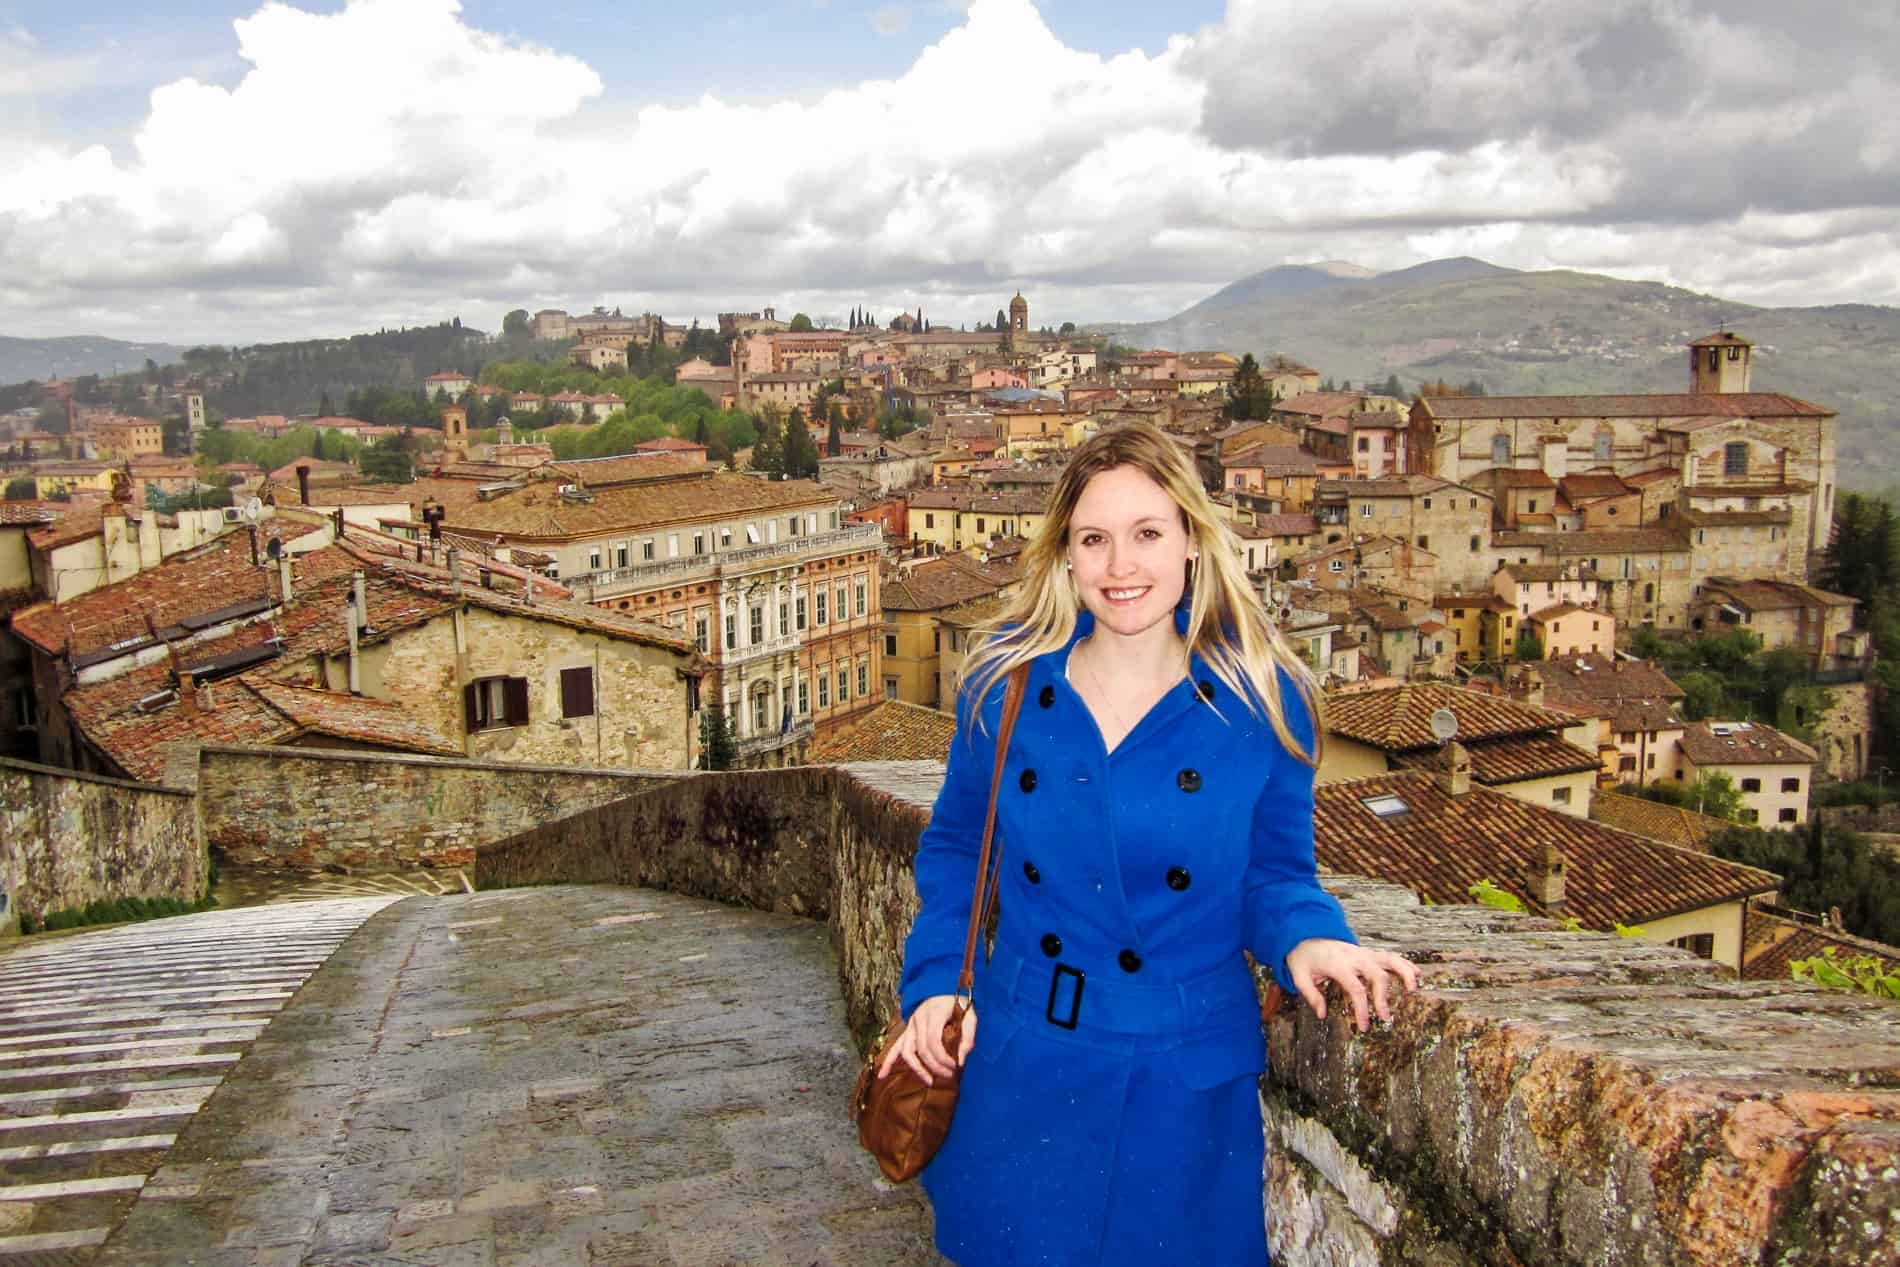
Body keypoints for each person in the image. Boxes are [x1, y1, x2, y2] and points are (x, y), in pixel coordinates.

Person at [880, 421, 1418, 1265]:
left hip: (1182, 1078)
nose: (1121, 566)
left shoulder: (1264, 701)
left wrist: (1310, 936)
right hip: (1026, 1061)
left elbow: (1276, 872)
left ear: (1193, 543)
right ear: (1064, 554)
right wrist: (937, 984)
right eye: (1094, 539)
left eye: (1146, 534)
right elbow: (956, 852)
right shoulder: (1005, 686)